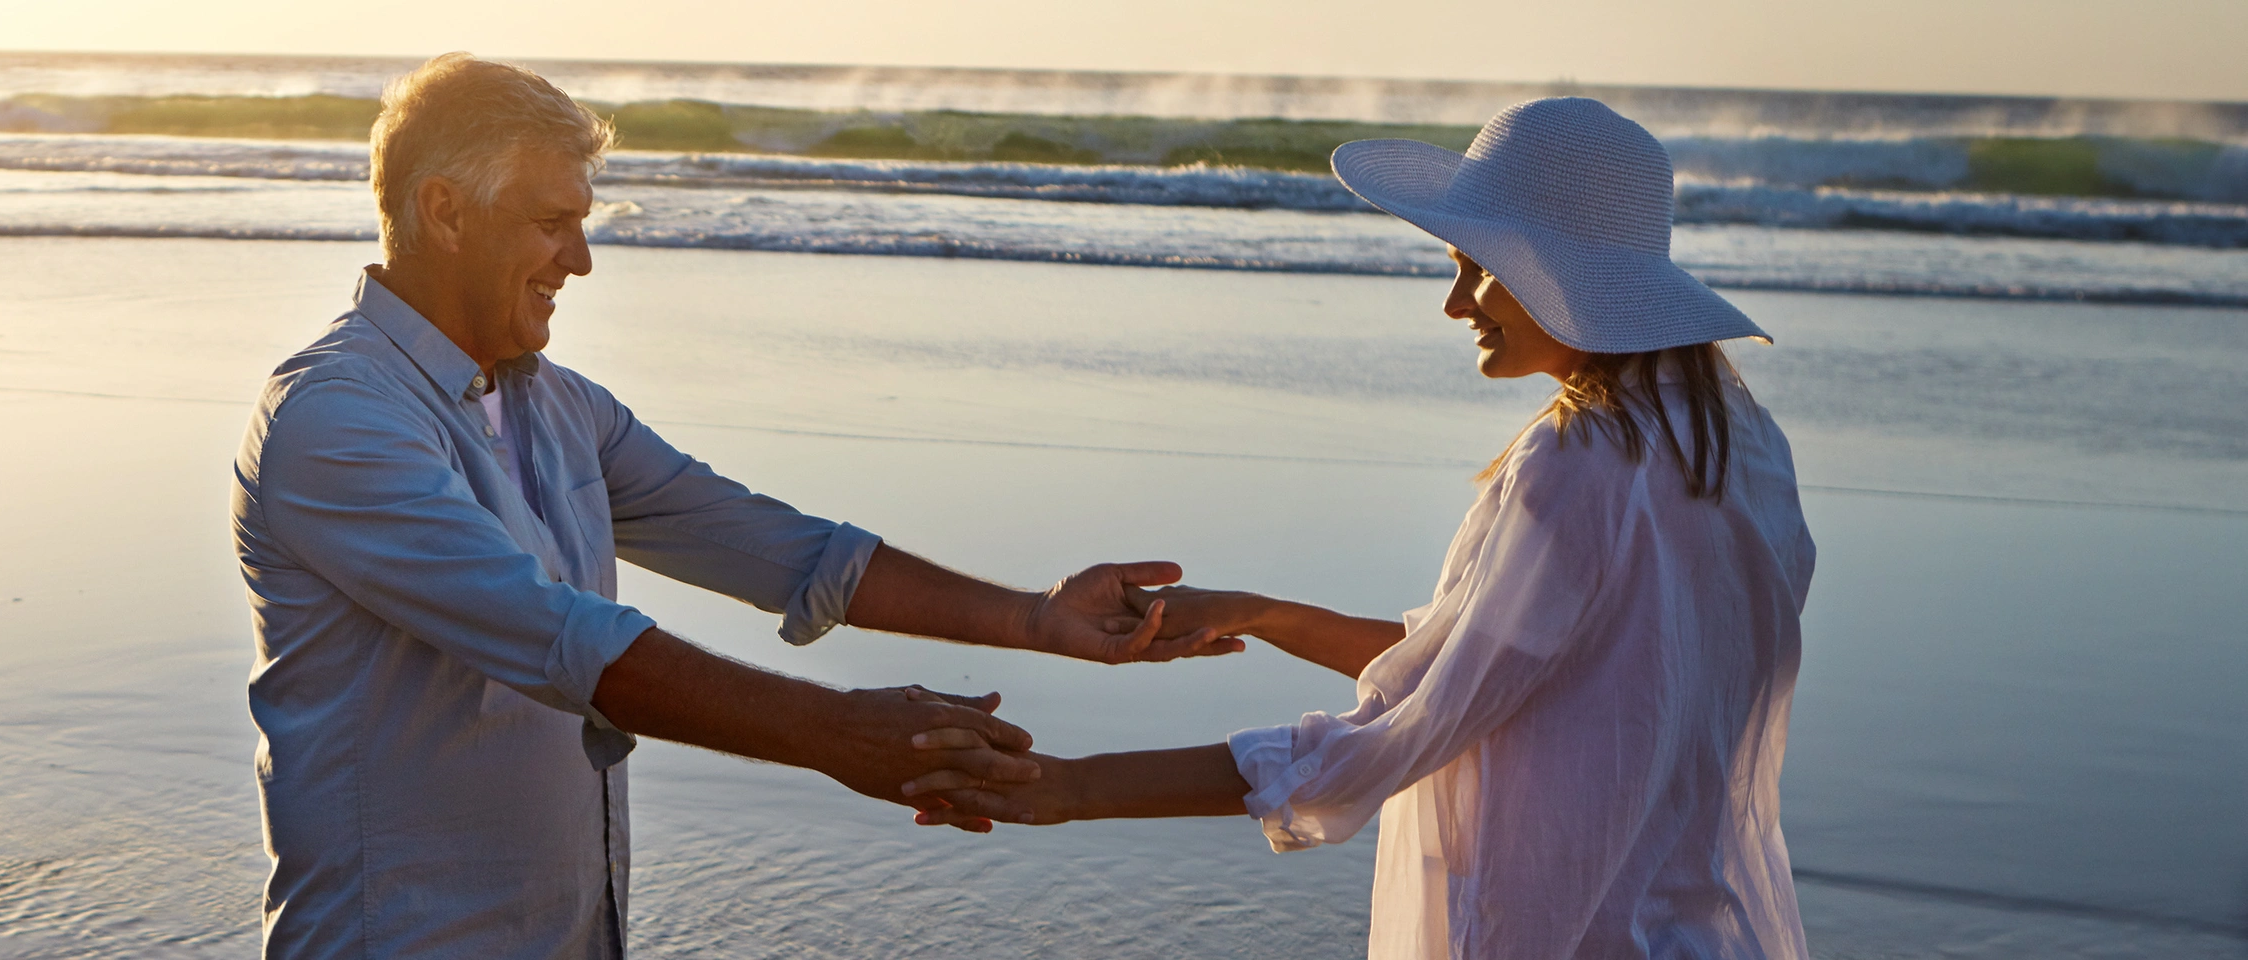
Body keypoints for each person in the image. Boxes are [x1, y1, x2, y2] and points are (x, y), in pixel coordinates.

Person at [231, 53, 1238, 960]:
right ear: (443, 210)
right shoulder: (335, 420)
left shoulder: (559, 405)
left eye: (581, 224)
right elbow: (564, 643)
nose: (577, 262)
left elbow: (778, 549)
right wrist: (839, 735)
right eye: (550, 224)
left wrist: (1033, 617)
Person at [907, 96, 1818, 959]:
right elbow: (1498, 667)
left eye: (1482, 268)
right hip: (1700, 926)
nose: (1457, 303)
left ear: (1565, 273)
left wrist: (1072, 788)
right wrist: (1259, 614)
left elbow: (1411, 724)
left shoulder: (1580, 463)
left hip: (1570, 927)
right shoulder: (1738, 450)